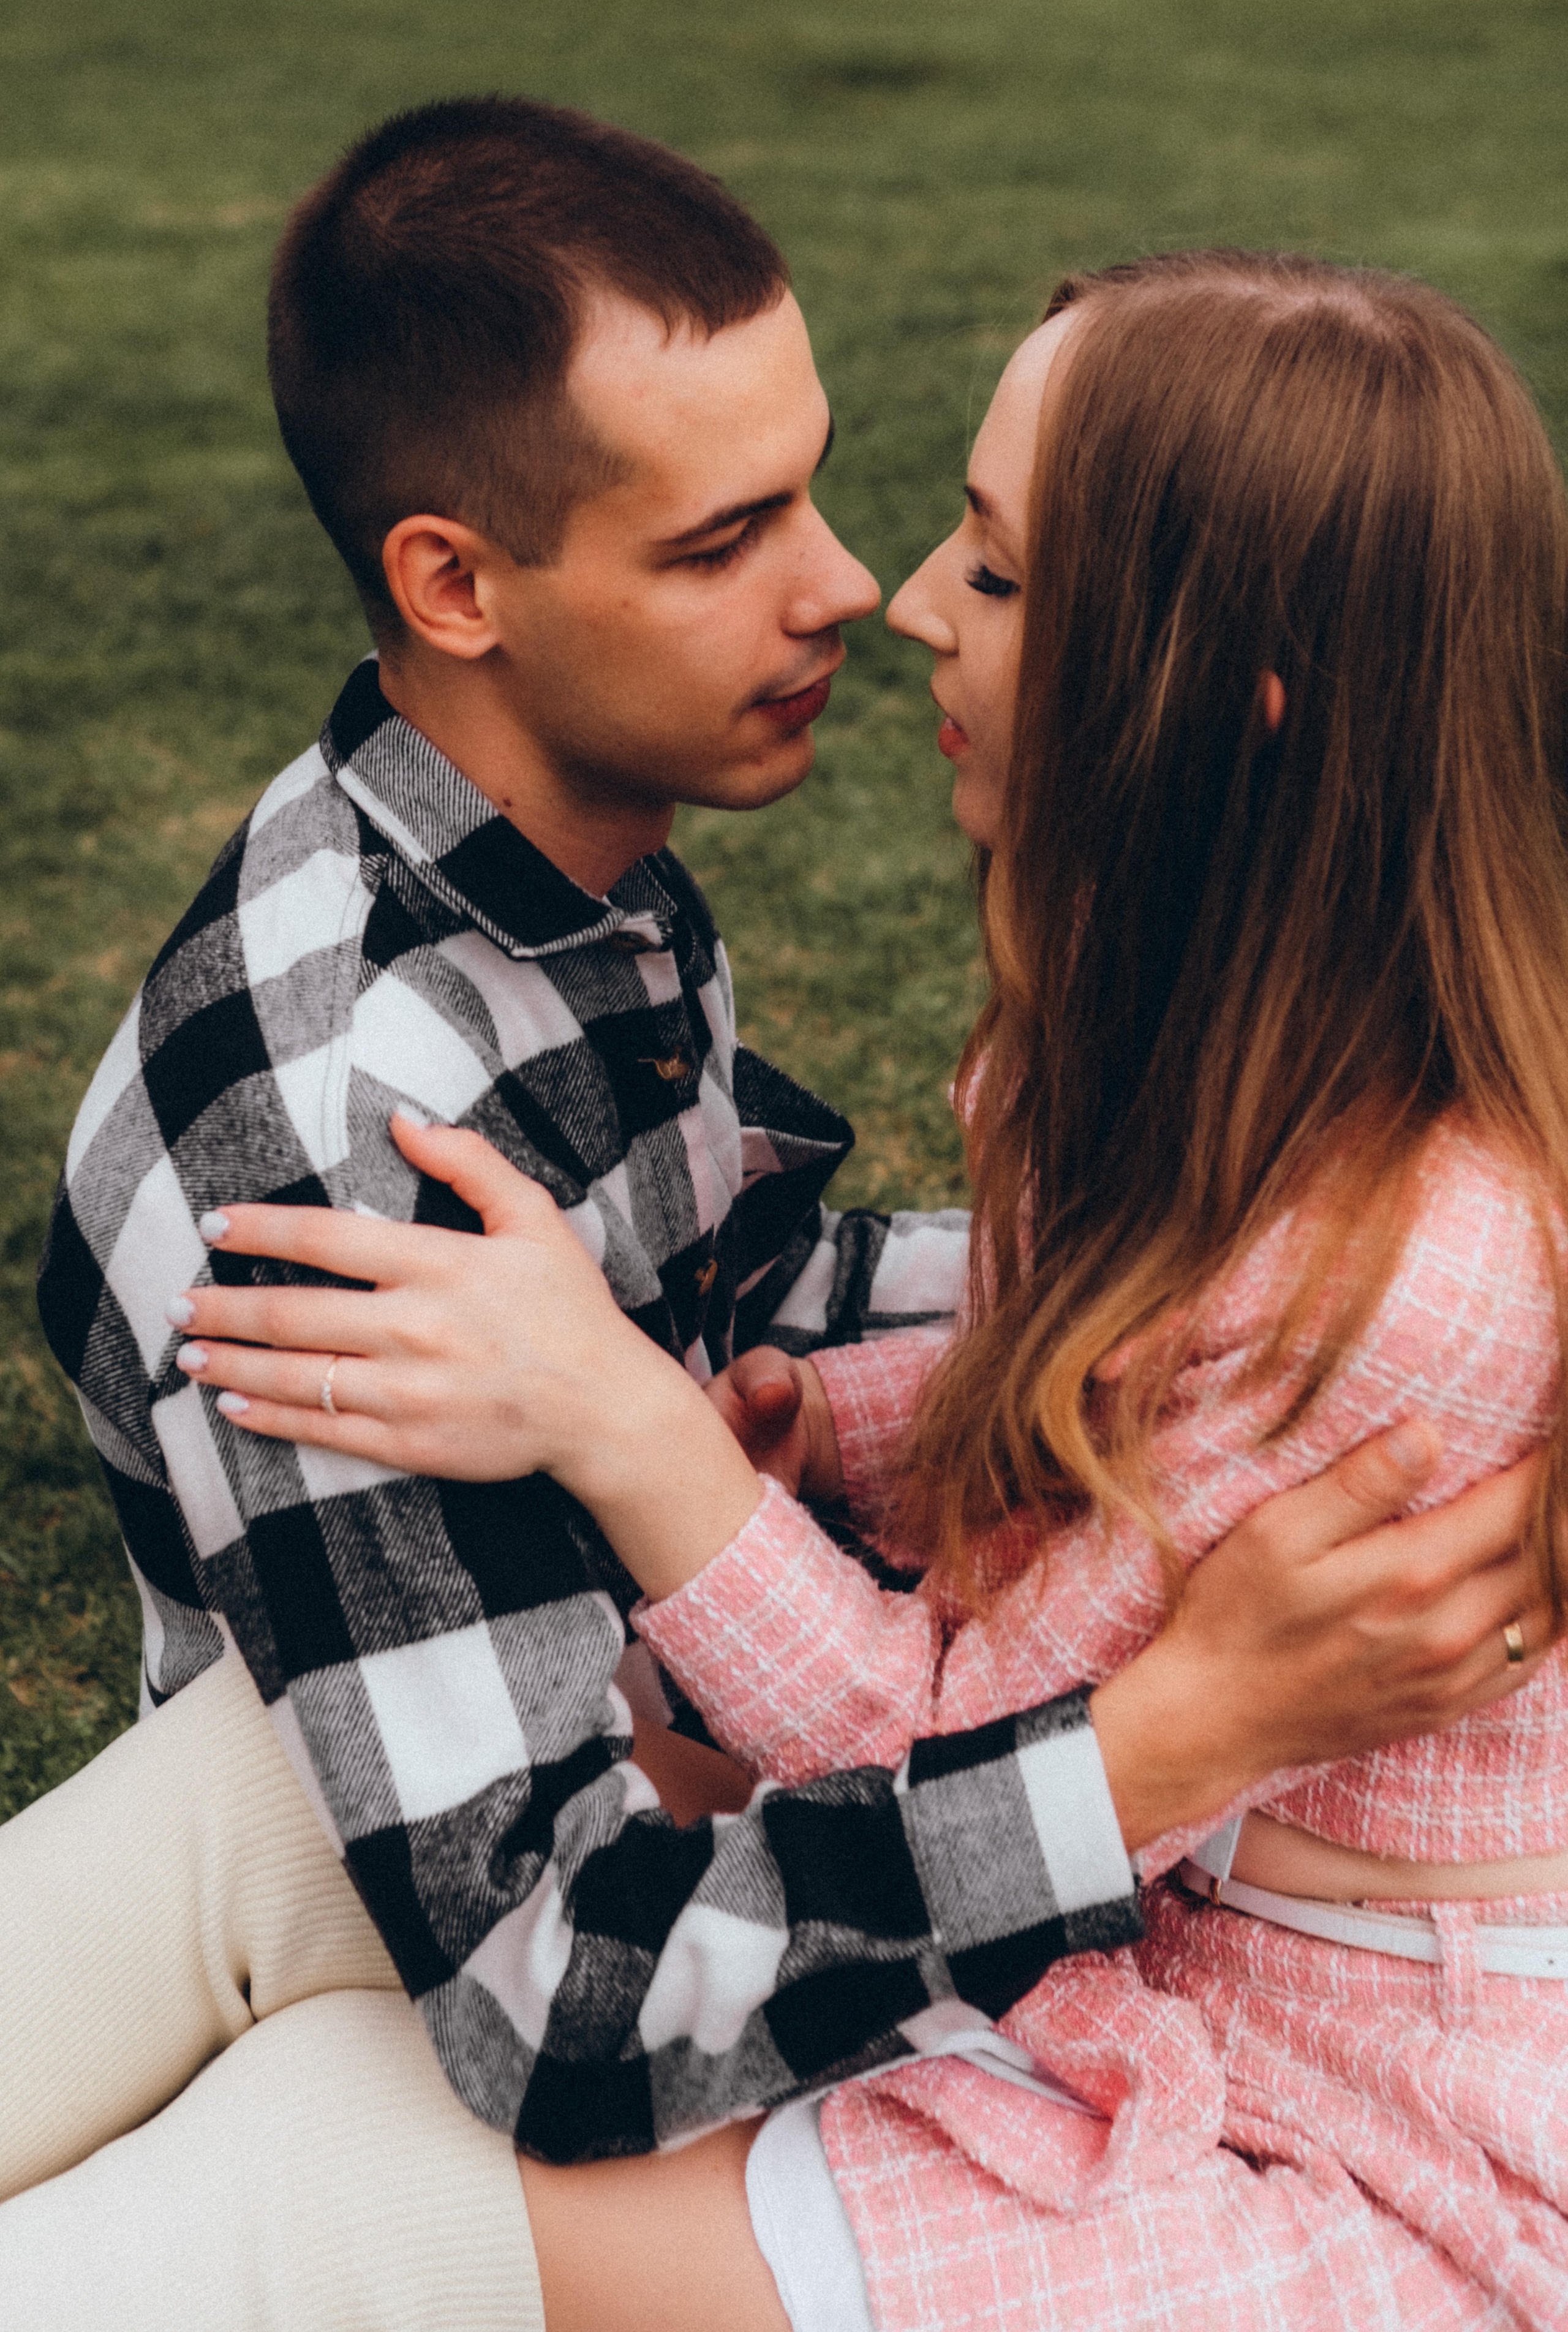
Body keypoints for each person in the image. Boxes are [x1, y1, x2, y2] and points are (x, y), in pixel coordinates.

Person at [127, 247, 1568, 2331]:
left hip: (1369, 2122)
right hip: (1153, 1941)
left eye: (995, 568)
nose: (892, 596)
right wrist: (840, 1413)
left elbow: (941, 1756)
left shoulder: (1420, 1273)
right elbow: (1106, 1376)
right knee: (255, 1833)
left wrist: (623, 1422)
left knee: (324, 2183)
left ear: (1215, 701)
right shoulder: (1191, 1030)